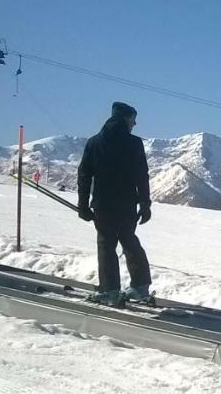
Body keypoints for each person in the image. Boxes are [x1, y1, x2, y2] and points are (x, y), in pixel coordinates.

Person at [77, 101, 153, 305]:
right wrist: (145, 204)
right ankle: (140, 286)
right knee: (129, 239)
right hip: (127, 204)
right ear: (125, 118)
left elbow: (84, 175)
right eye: (133, 119)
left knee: (106, 244)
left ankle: (109, 290)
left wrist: (82, 204)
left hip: (103, 204)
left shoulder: (94, 142)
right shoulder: (135, 143)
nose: (135, 123)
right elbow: (142, 176)